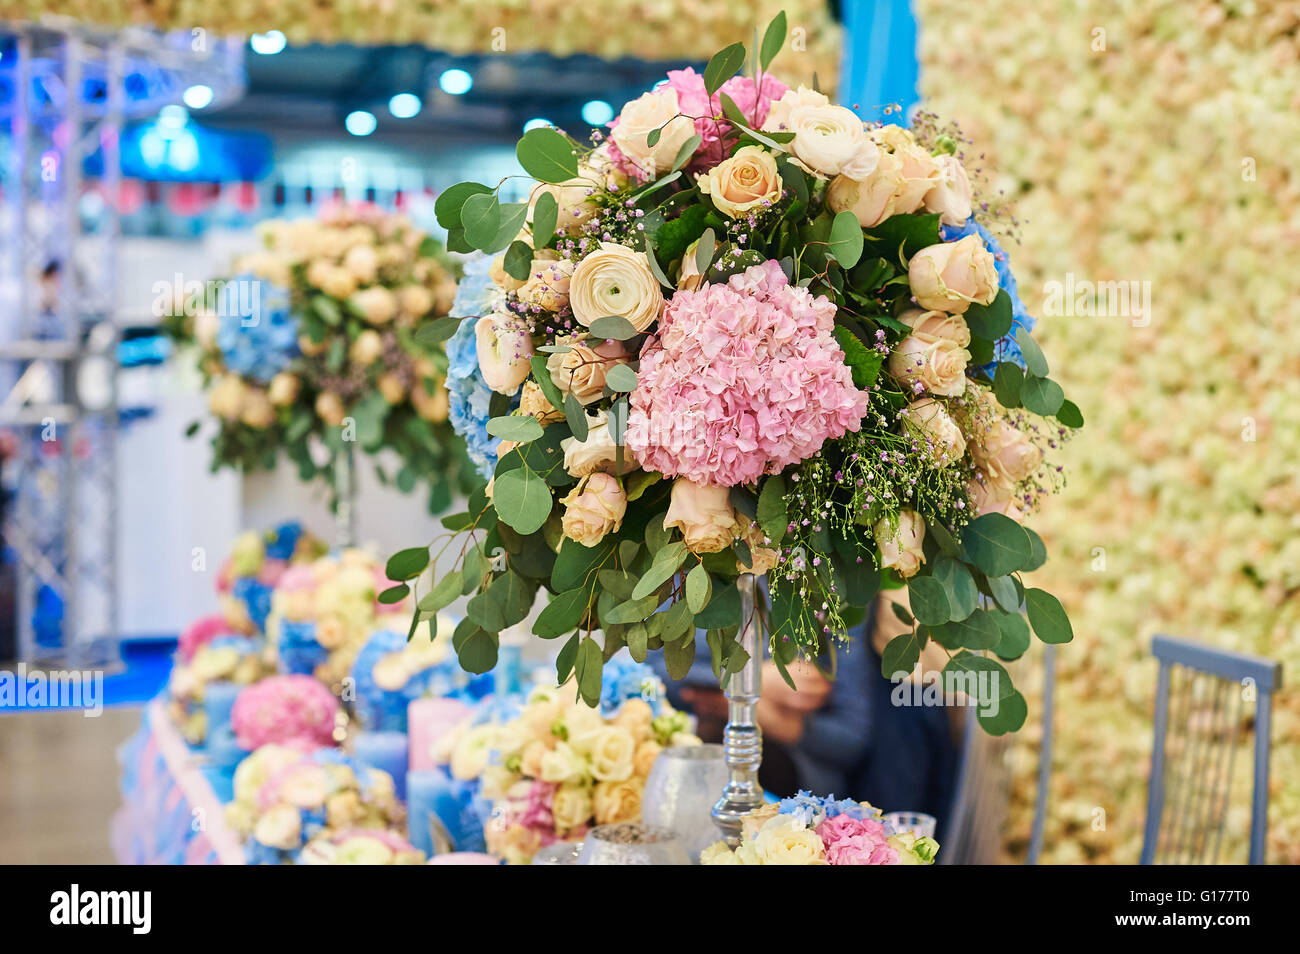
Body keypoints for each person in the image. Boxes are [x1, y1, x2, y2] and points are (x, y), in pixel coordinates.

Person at [654, 587, 962, 825]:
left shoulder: (837, 585)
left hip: (802, 777)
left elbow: (851, 740)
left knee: (724, 759)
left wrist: (759, 712)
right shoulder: (698, 558)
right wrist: (755, 679)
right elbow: (654, 667)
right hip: (697, 748)